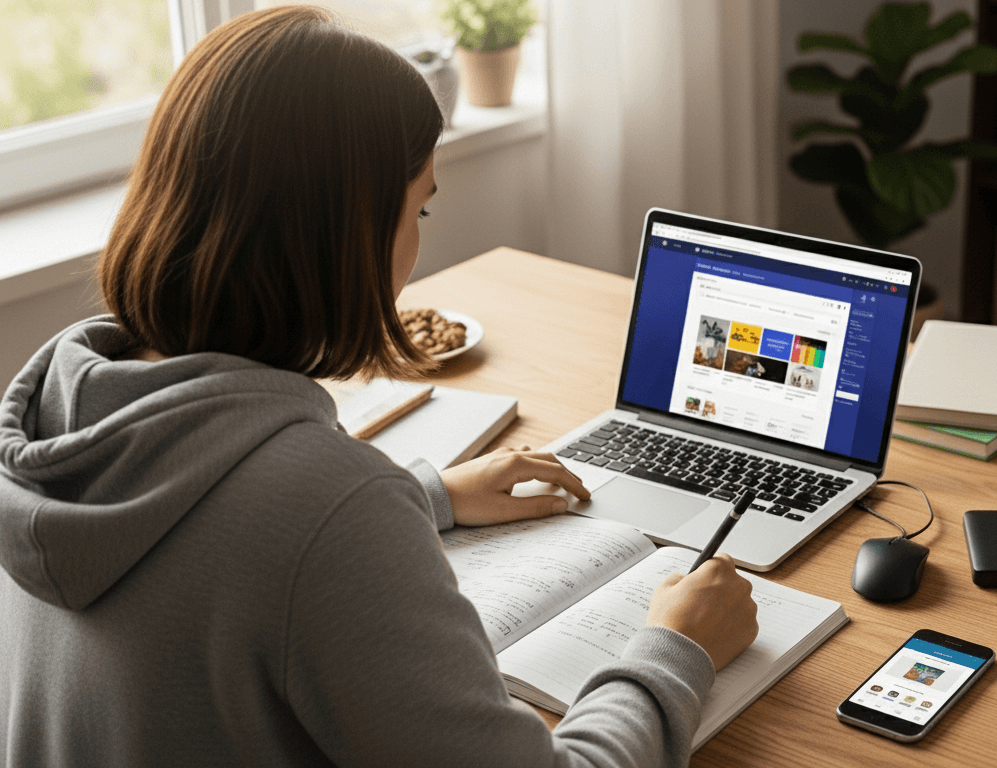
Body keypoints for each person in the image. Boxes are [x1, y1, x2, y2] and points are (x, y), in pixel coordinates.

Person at [0, 7, 758, 767]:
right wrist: (674, 648)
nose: (418, 244)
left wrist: (426, 495)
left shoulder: (54, 410)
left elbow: (210, 554)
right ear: (342, 235)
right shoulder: (325, 508)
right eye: (419, 206)